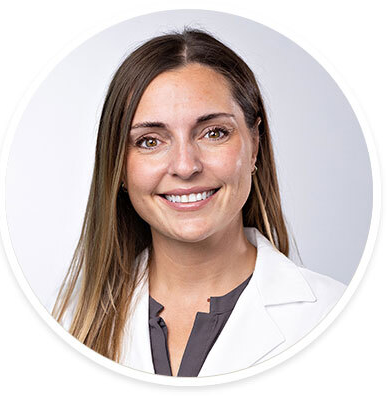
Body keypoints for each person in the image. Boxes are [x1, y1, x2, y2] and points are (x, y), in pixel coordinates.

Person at [52, 28, 346, 377]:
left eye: (214, 133)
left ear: (254, 144)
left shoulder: (340, 318)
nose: (185, 166)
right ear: (118, 167)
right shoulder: (67, 323)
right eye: (149, 141)